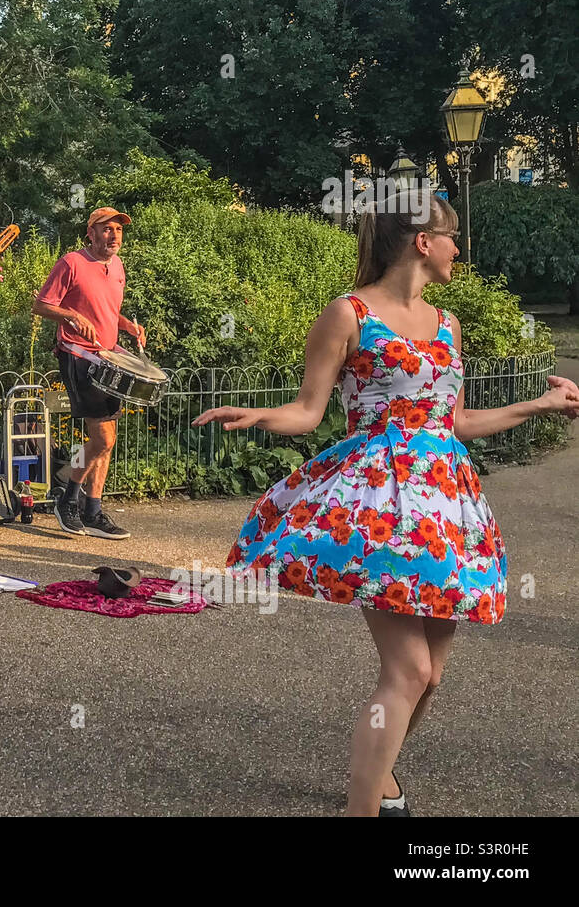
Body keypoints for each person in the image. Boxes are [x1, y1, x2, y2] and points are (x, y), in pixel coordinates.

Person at [193, 199, 579, 816]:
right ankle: (362, 808)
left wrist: (541, 406)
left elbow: (453, 422)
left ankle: (380, 779)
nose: (461, 249)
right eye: (453, 238)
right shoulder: (350, 313)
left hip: (448, 507)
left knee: (430, 675)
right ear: (423, 242)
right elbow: (308, 410)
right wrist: (262, 416)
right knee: (407, 670)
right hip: (379, 504)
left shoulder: (448, 323)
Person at [33, 206, 147, 539]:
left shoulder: (118, 265)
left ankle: (93, 511)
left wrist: (128, 326)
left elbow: (107, 311)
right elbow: (40, 305)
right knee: (104, 437)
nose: (114, 235)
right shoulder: (71, 262)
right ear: (91, 234)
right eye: (107, 229)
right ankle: (67, 499)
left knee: (106, 441)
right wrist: (69, 315)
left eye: (119, 230)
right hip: (78, 355)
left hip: (109, 357)